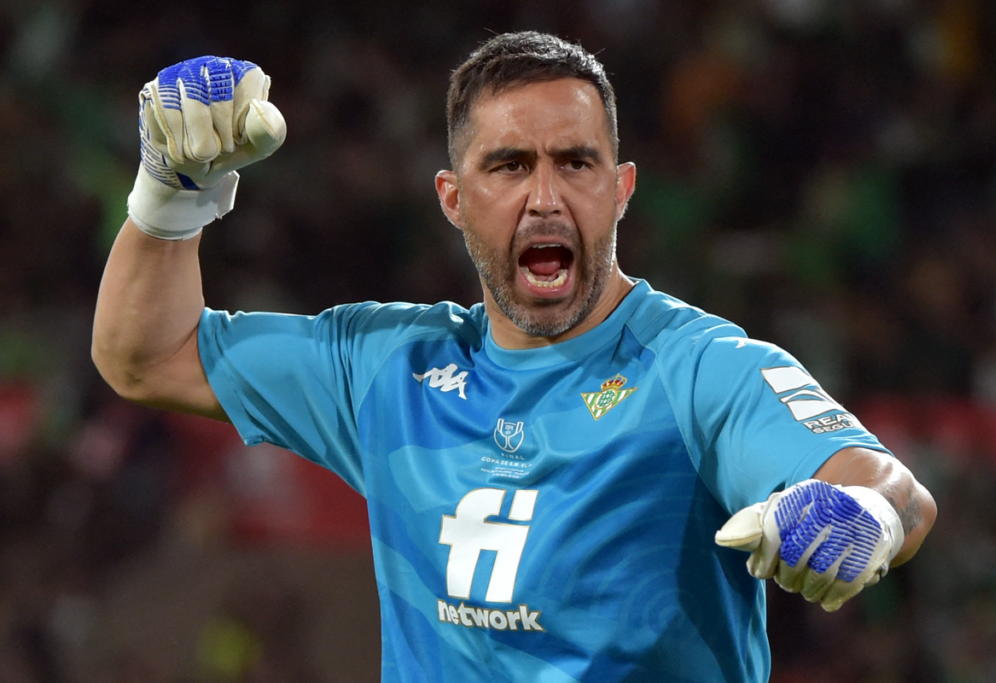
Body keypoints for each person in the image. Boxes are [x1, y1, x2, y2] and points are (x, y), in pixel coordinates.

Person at [92, 32, 936, 683]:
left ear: (621, 188)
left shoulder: (695, 368)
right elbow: (146, 356)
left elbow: (880, 477)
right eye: (508, 165)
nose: (545, 196)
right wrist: (171, 189)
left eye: (576, 162)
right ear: (453, 201)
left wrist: (864, 515)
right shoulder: (386, 367)